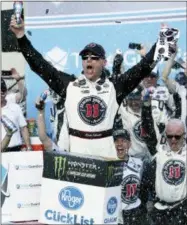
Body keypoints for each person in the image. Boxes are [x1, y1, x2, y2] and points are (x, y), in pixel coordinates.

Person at [10, 15, 160, 158]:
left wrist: (160, 45)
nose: (89, 60)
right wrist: (21, 36)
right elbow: (39, 66)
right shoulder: (69, 85)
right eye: (85, 57)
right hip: (77, 155)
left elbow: (141, 69)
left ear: (104, 62)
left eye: (94, 57)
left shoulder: (114, 86)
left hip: (106, 157)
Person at [140, 119, 187, 225]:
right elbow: (147, 128)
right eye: (170, 136)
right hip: (160, 212)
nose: (173, 140)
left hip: (182, 211)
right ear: (165, 135)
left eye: (177, 136)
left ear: (184, 135)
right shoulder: (159, 153)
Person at [113, 129, 148, 225]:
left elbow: (144, 189)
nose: (119, 144)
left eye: (123, 141)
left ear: (129, 144)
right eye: (116, 141)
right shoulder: (107, 164)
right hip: (114, 213)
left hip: (135, 213)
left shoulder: (139, 163)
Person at [1, 79, 32, 152]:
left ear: (6, 92)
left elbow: (24, 128)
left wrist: (29, 147)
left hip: (17, 149)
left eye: (2, 92)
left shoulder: (15, 107)